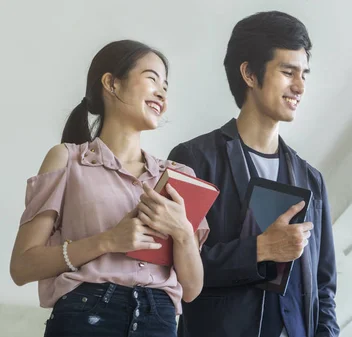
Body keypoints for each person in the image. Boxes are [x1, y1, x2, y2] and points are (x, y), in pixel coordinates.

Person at [10, 40, 209, 337]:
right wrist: (107, 241)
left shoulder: (179, 177)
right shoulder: (67, 160)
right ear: (112, 83)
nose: (162, 93)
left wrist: (181, 232)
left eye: (165, 86)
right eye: (152, 78)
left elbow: (192, 290)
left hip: (159, 318)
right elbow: (22, 266)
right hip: (85, 314)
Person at [168, 11, 339, 337]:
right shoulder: (194, 160)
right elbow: (178, 269)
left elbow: (324, 285)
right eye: (288, 72)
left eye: (304, 73)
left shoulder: (311, 179)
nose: (300, 85)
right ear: (249, 73)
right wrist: (260, 249)